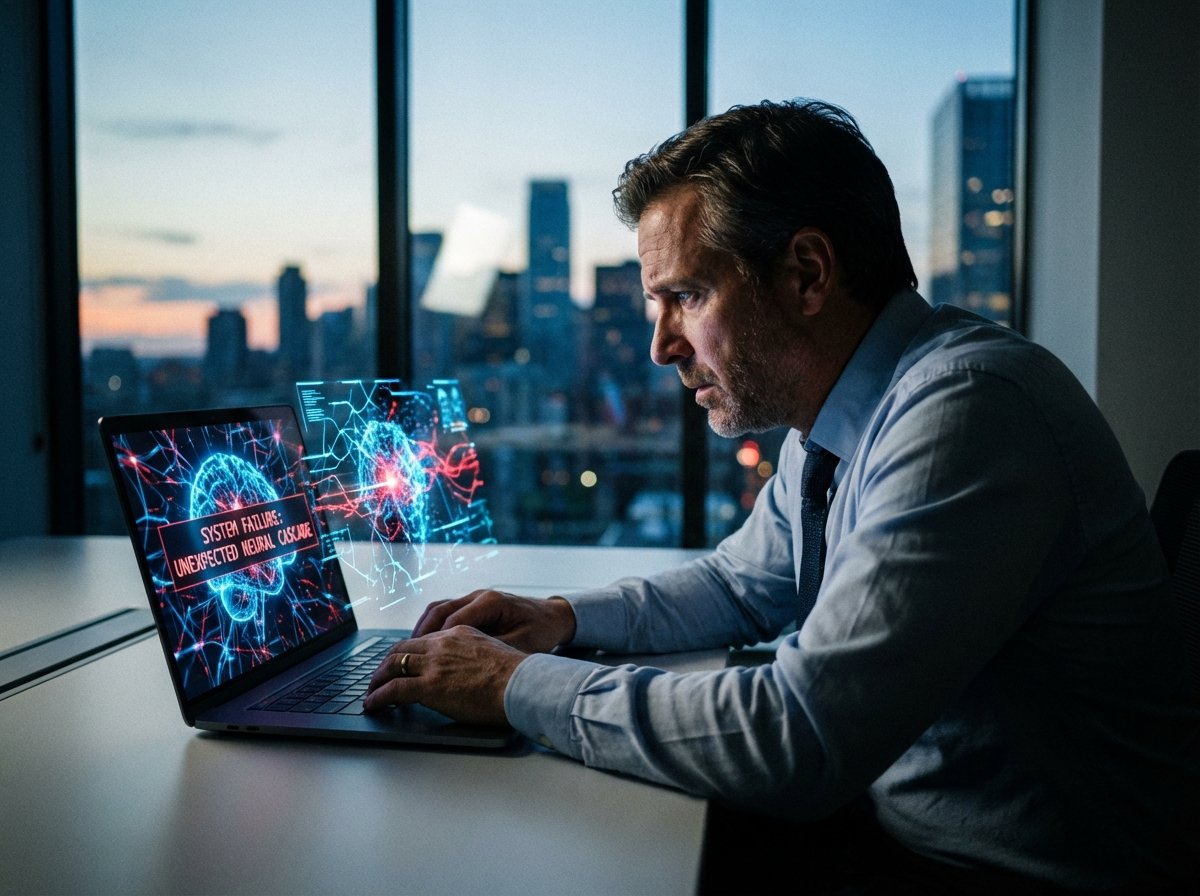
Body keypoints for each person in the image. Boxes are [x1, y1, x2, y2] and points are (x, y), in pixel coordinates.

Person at [364, 99, 1200, 893]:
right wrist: (562, 620)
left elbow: (800, 739)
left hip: (998, 876)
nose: (661, 347)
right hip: (897, 824)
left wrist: (514, 685)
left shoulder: (970, 411)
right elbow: (742, 583)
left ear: (805, 273)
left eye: (685, 297)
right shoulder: (844, 412)